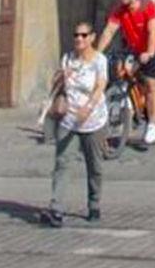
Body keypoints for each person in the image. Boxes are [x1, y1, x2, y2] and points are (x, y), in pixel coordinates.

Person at [41, 22, 105, 227]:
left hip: (93, 121)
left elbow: (100, 86)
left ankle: (94, 204)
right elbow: (56, 85)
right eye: (76, 35)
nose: (79, 39)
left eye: (84, 35)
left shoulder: (99, 60)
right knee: (62, 163)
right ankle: (57, 209)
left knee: (95, 166)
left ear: (92, 37)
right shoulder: (68, 58)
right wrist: (62, 76)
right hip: (69, 120)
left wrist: (89, 107)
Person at [95, 0, 155, 145]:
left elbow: (153, 31)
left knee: (152, 84)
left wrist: (149, 52)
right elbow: (109, 31)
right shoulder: (120, 10)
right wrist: (97, 54)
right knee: (123, 72)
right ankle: (131, 107)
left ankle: (152, 125)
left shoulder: (148, 6)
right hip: (134, 47)